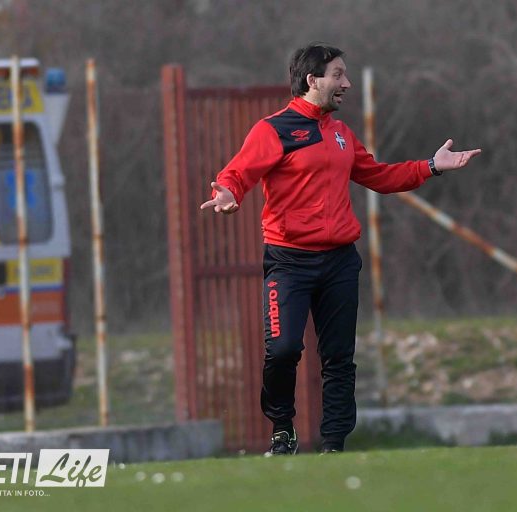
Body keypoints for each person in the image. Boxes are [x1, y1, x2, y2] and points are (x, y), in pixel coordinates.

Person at [200, 43, 481, 455]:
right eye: (338, 75)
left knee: (338, 358)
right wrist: (226, 192)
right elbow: (238, 172)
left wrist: (432, 165)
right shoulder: (274, 129)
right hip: (288, 262)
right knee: (283, 350)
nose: (346, 83)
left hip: (339, 263)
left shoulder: (341, 133)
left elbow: (380, 176)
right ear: (312, 80)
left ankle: (334, 445)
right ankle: (282, 430)